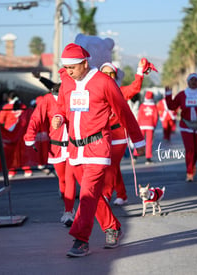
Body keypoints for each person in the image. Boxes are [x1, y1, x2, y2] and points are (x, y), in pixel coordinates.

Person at [52, 43, 145, 257]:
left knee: (86, 194)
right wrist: (59, 117)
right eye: (66, 68)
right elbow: (62, 106)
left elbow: (123, 111)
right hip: (75, 149)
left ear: (85, 63)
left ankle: (81, 240)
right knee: (92, 195)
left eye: (72, 68)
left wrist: (138, 140)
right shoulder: (67, 82)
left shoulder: (104, 82)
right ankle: (112, 227)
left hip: (98, 147)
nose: (68, 72)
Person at [24, 78, 77, 227]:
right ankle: (66, 198)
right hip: (56, 147)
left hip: (74, 145)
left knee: (70, 178)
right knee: (63, 179)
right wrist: (30, 136)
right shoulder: (47, 100)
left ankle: (68, 211)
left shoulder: (73, 96)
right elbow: (36, 118)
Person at [99, 60, 146, 206]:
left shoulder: (121, 91)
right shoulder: (97, 91)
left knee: (111, 165)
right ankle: (122, 195)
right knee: (114, 167)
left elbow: (135, 87)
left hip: (119, 135)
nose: (107, 76)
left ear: (116, 75)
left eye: (110, 73)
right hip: (103, 136)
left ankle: (105, 195)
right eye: (104, 73)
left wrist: (140, 70)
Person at [165, 73, 197, 182]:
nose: (194, 82)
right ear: (188, 82)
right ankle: (189, 172)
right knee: (190, 149)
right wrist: (168, 94)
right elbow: (171, 106)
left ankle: (192, 165)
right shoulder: (182, 94)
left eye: (196, 80)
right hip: (186, 126)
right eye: (192, 80)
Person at [136, 90, 159, 164]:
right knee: (149, 142)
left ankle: (135, 156)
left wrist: (138, 124)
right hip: (150, 126)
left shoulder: (142, 106)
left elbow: (139, 116)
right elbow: (155, 117)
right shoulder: (154, 106)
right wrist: (154, 125)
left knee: (139, 141)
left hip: (142, 125)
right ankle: (148, 159)